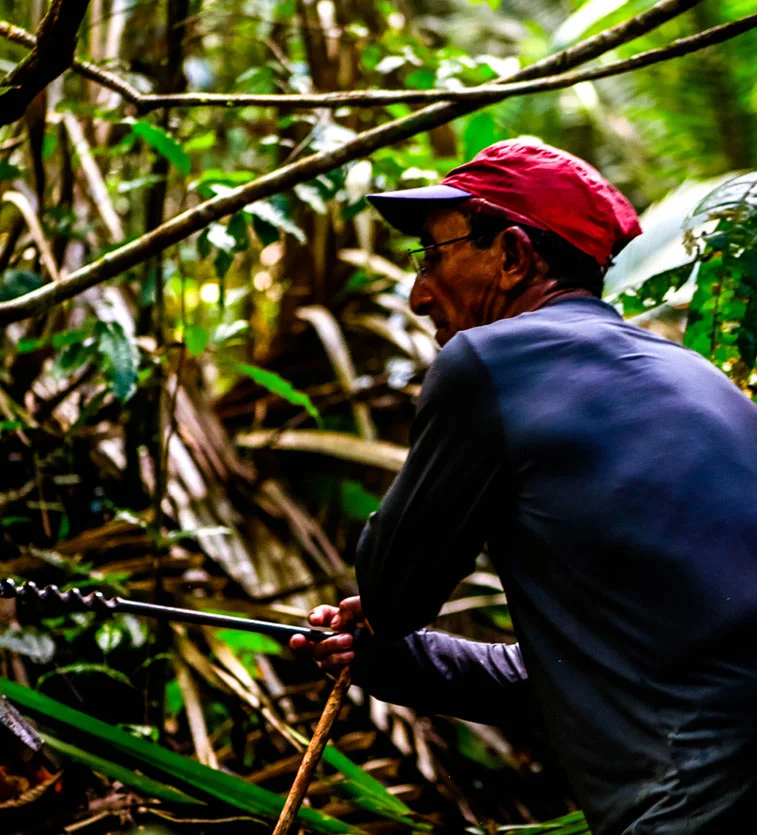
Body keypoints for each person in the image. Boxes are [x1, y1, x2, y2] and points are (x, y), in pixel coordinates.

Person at [290, 141, 757, 834]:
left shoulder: (488, 358)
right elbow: (594, 671)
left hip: (691, 805)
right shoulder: (699, 379)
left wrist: (381, 626)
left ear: (511, 256)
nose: (419, 294)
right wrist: (397, 659)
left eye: (431, 255)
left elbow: (390, 594)